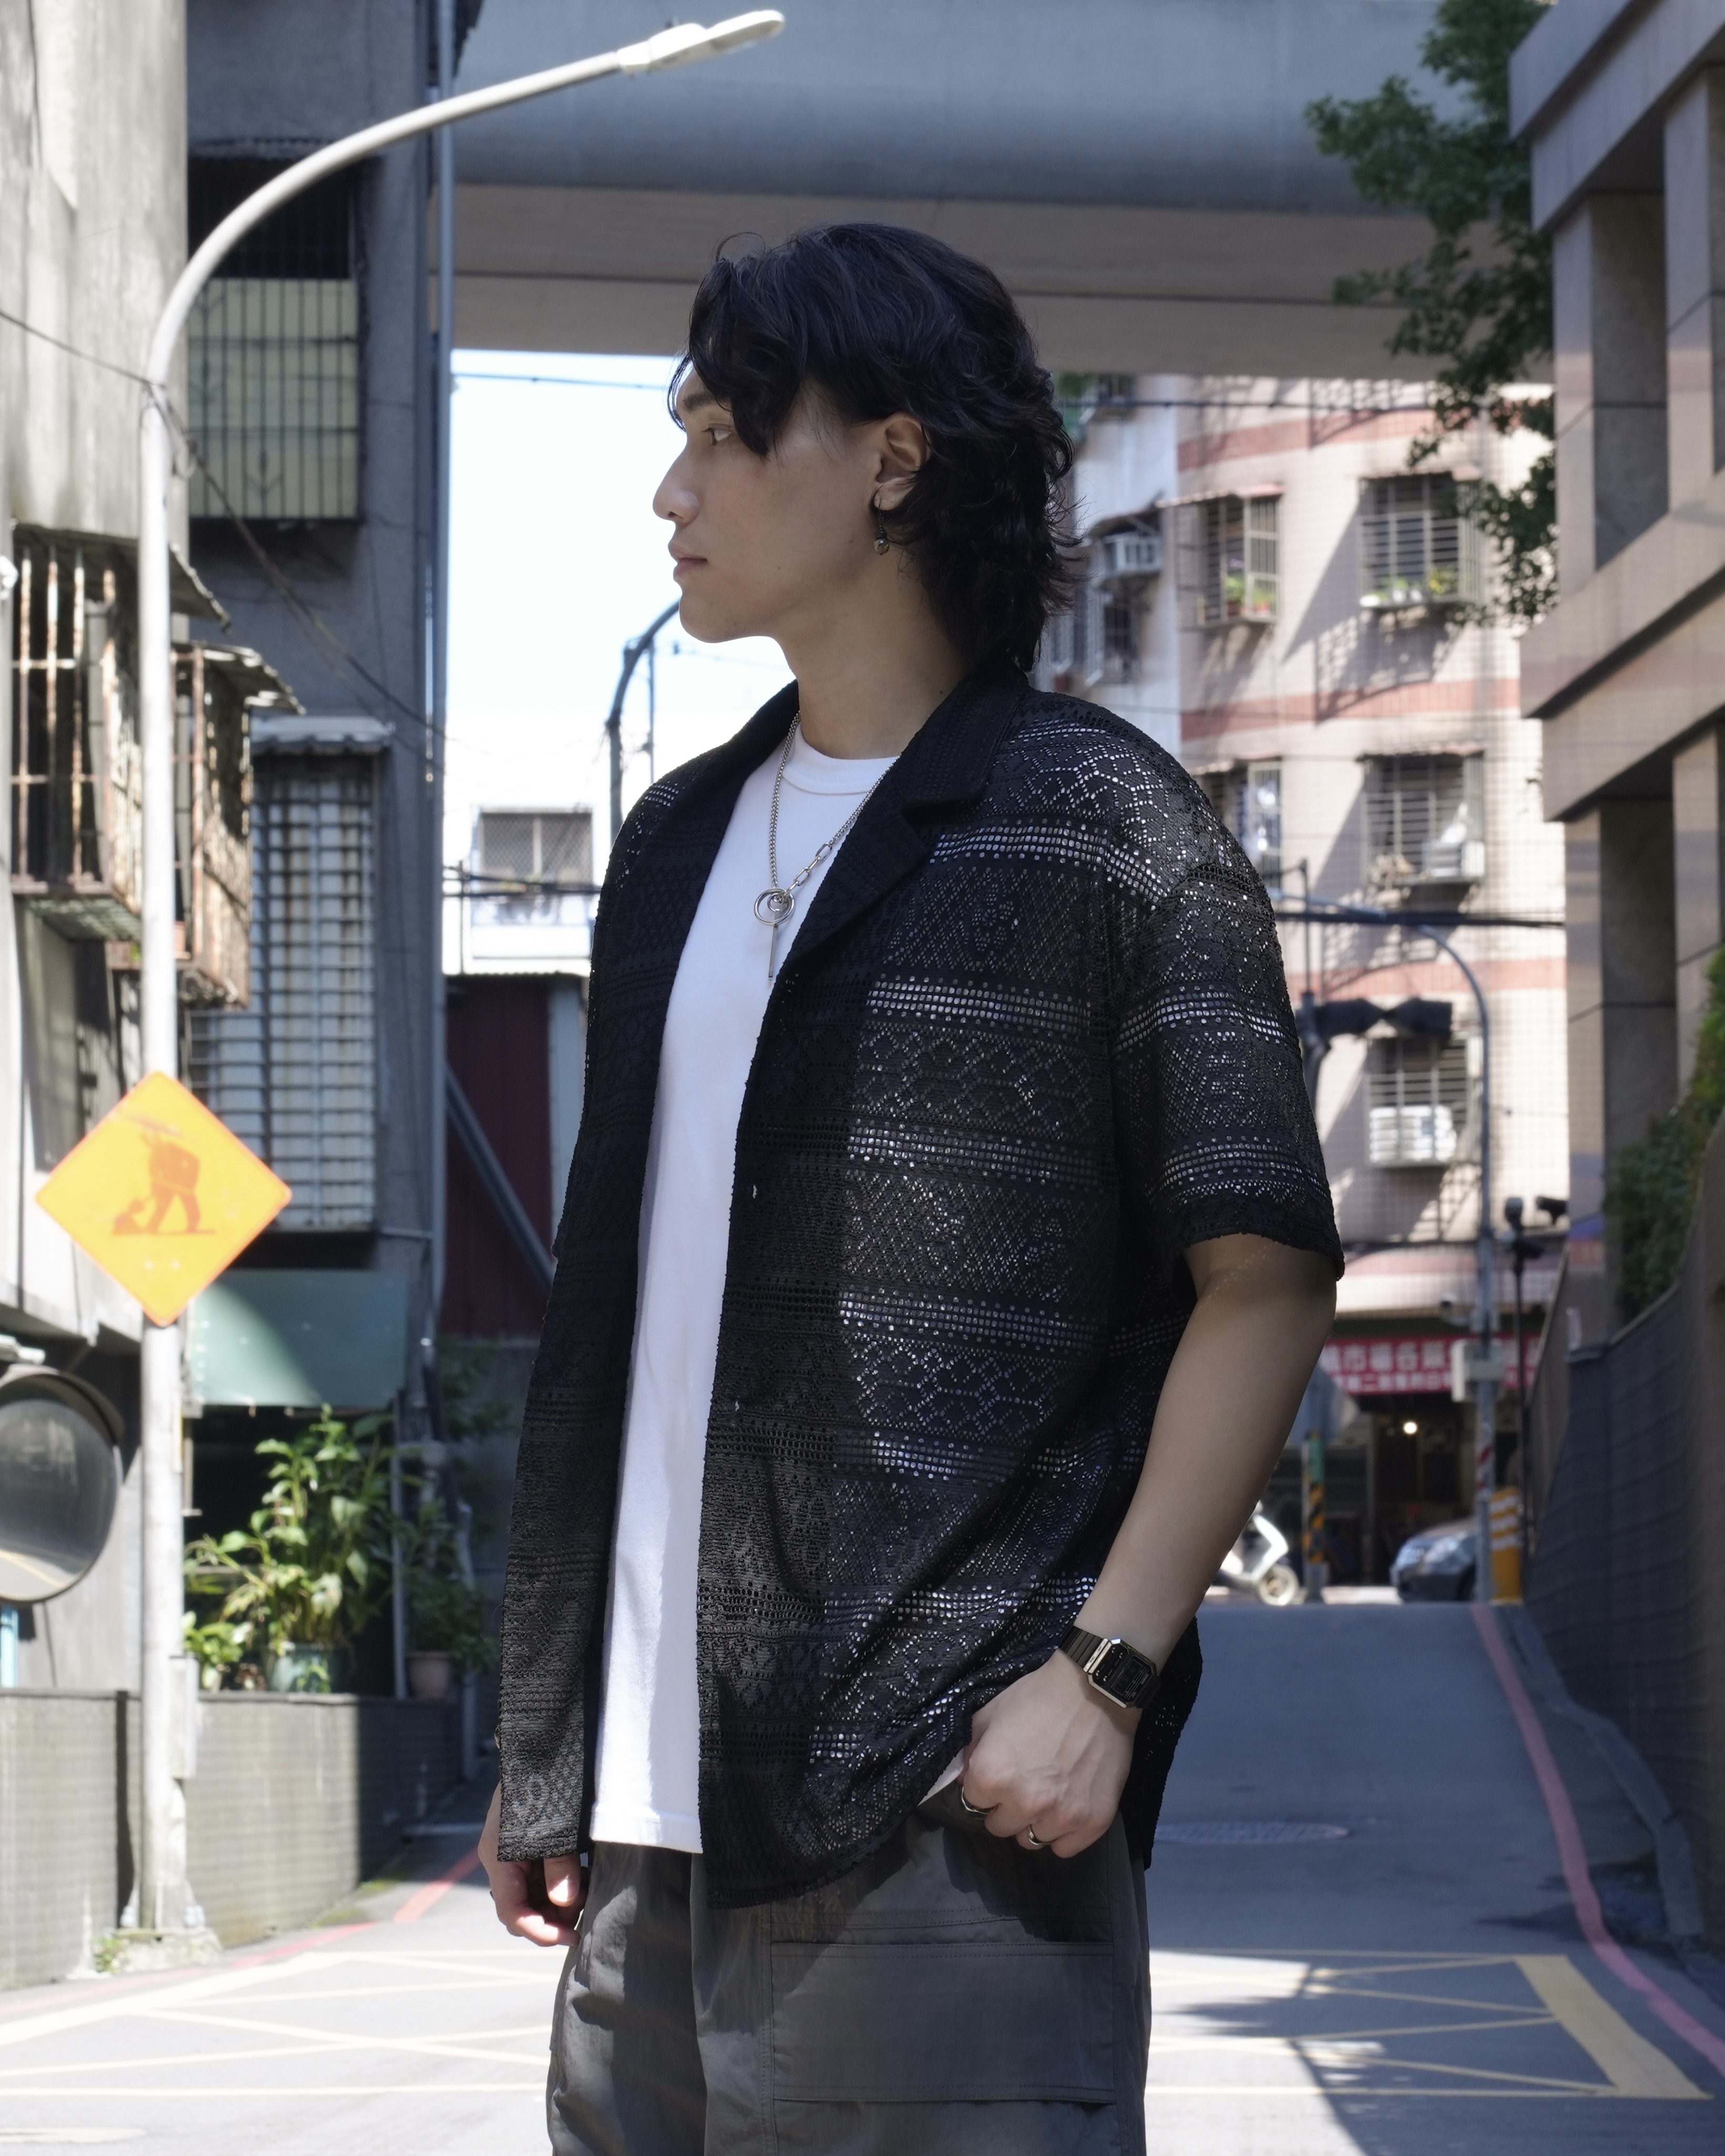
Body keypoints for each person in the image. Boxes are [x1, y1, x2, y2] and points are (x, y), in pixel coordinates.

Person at [479, 223, 1341, 2155]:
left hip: (941, 1811)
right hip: (646, 1826)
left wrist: (1103, 1676)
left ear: (890, 457)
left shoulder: (1098, 829)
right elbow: (619, 1326)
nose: (671, 489)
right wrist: (553, 1736)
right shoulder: (674, 844)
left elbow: (1266, 1273)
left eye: (722, 432)